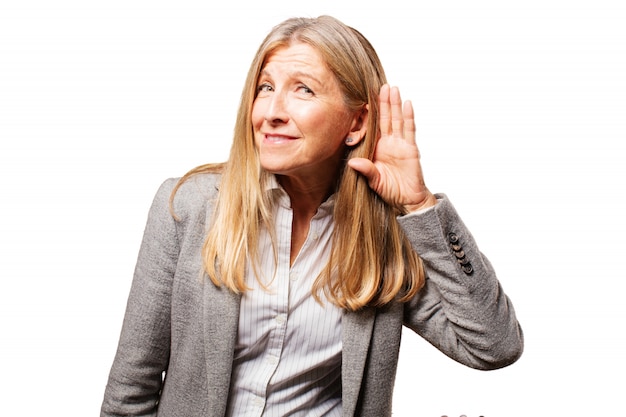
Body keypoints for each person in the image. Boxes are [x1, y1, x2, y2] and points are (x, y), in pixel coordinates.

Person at [100, 15, 523, 417]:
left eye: (303, 90)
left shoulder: (387, 236)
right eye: (265, 88)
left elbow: (494, 346)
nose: (271, 112)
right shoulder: (189, 206)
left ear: (355, 122)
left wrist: (420, 206)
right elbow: (131, 388)